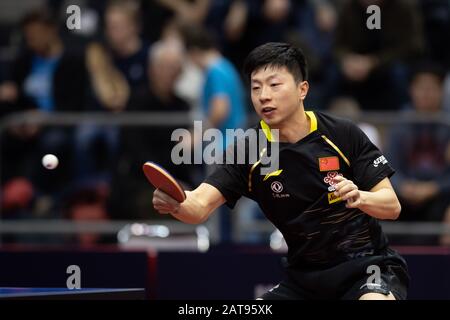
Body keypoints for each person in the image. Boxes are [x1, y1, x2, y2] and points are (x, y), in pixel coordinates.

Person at [152, 42, 409, 300]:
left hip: (367, 270)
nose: (264, 95)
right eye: (256, 87)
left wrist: (360, 197)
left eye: (274, 85)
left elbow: (391, 205)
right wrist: (176, 203)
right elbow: (198, 206)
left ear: (302, 90)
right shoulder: (250, 149)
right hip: (304, 282)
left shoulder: (340, 134)